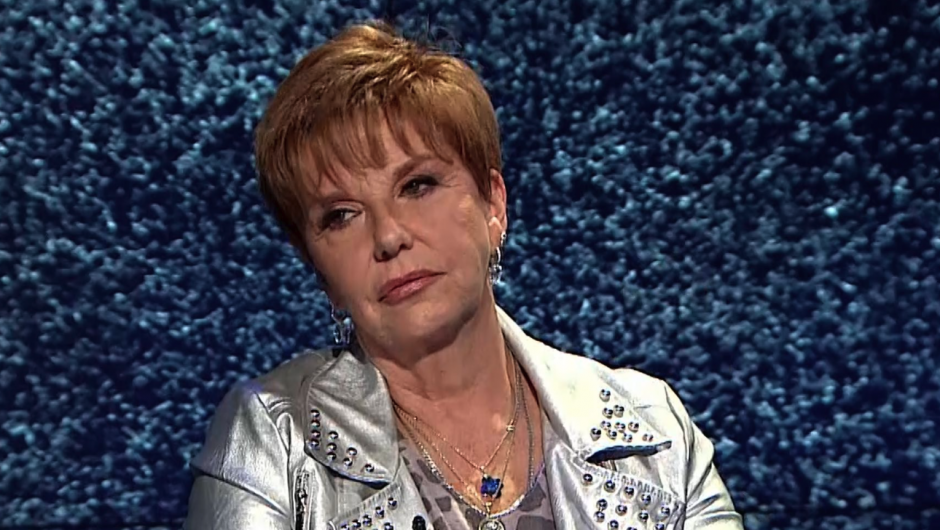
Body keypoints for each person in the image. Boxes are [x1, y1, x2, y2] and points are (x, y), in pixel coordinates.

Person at [184, 19, 743, 530]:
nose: (388, 236)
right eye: (341, 216)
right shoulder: (274, 443)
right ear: (320, 270)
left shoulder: (653, 430)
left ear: (493, 205)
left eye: (417, 186)